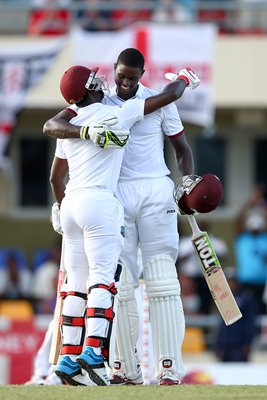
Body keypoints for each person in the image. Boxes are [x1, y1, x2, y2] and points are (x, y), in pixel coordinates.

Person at [43, 49, 198, 386]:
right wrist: (184, 79)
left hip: (153, 189)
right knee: (120, 283)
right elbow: (52, 125)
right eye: (121, 76)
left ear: (142, 73)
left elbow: (182, 149)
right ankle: (122, 368)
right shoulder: (106, 106)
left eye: (133, 76)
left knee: (160, 279)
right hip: (112, 196)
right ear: (113, 71)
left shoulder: (148, 101)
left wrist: (185, 184)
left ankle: (168, 368)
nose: (126, 83)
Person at [214, 266, 257, 362]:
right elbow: (221, 324)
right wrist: (218, 344)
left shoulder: (246, 299)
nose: (230, 284)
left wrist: (248, 343)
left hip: (239, 344)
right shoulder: (221, 298)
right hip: (225, 345)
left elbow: (250, 322)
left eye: (232, 281)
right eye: (228, 281)